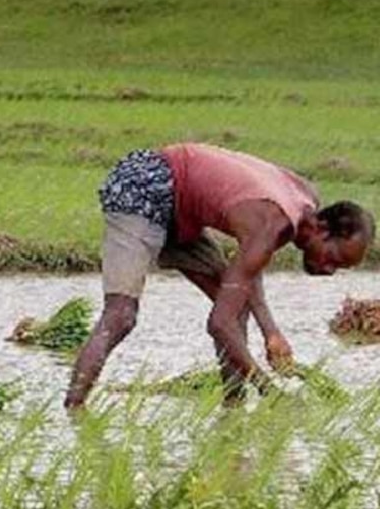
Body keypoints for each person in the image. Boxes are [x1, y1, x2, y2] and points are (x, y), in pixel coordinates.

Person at [65, 143, 374, 410]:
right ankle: (74, 410)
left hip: (181, 208)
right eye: (333, 259)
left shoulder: (303, 200)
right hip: (144, 185)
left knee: (237, 308)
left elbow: (249, 268)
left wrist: (271, 332)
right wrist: (269, 391)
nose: (328, 270)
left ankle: (233, 408)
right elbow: (218, 323)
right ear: (321, 229)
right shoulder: (271, 225)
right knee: (121, 315)